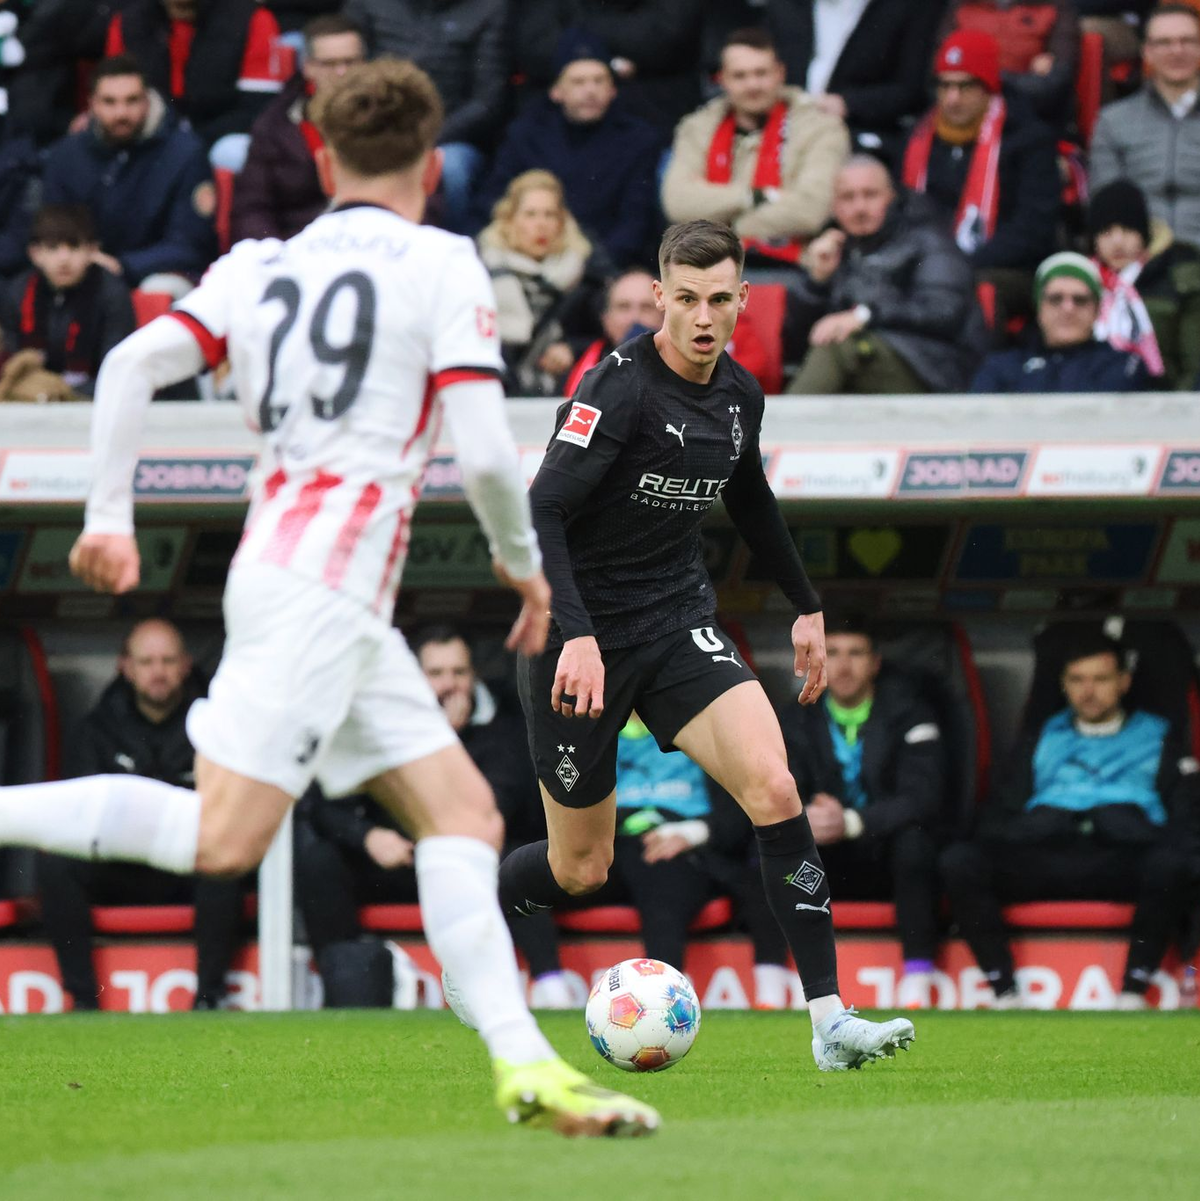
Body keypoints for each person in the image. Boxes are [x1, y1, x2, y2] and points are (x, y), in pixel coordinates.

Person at [0, 58, 657, 1138]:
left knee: (464, 816)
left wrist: (108, 516)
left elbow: (125, 364)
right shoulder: (444, 262)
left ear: (321, 156)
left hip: (311, 584)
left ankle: (528, 1067)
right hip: (321, 589)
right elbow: (490, 455)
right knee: (223, 840)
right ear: (433, 168)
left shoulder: (260, 261)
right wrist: (521, 562)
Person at [498, 217, 915, 1071]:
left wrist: (807, 604)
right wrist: (575, 635)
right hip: (580, 640)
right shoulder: (616, 387)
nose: (701, 316)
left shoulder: (740, 394)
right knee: (582, 867)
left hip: (677, 622)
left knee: (774, 785)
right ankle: (473, 914)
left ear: (742, 301)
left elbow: (751, 495)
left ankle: (830, 1020)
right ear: (659, 296)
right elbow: (541, 508)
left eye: (718, 299)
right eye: (685, 298)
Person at [940, 630, 1200, 1008]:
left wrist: (1126, 824)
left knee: (1173, 865)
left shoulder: (1159, 737)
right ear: (1063, 684)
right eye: (1077, 680)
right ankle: (1005, 993)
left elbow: (1185, 826)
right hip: (1045, 856)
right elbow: (996, 820)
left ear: (1124, 682)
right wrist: (1043, 824)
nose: (1088, 690)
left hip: (1123, 862)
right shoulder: (1041, 737)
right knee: (960, 860)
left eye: (1100, 679)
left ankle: (1133, 992)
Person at [37, 620, 247, 1011]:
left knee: (226, 864)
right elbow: (76, 815)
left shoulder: (214, 727)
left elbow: (229, 807)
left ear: (185, 665)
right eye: (146, 661)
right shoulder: (95, 730)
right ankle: (84, 1000)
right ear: (125, 667)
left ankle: (208, 999)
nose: (158, 671)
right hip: (119, 866)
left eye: (168, 660)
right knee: (55, 867)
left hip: (187, 862)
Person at [777, 613, 948, 1009]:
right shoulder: (794, 717)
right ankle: (772, 983)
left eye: (855, 653)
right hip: (821, 853)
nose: (843, 664)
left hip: (884, 851)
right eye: (831, 652)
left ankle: (918, 980)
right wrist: (808, 819)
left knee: (915, 845)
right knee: (769, 851)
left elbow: (923, 797)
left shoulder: (911, 712)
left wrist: (853, 822)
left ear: (875, 662)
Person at [785, 155, 987, 395]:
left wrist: (864, 315)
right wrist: (817, 282)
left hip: (933, 370)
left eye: (870, 195)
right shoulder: (836, 249)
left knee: (838, 347)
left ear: (892, 197)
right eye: (848, 198)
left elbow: (943, 310)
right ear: (834, 206)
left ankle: (778, 433)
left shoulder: (929, 240)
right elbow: (794, 346)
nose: (859, 208)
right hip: (865, 366)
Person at [902, 29, 1060, 331]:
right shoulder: (918, 138)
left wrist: (959, 264)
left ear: (988, 87)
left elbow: (1032, 231)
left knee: (974, 290)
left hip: (999, 267)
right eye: (944, 86)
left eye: (965, 87)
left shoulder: (1028, 139)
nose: (952, 98)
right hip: (929, 261)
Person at [661, 28, 849, 269]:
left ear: (780, 73)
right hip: (707, 270)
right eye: (740, 76)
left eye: (761, 73)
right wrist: (759, 197)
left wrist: (722, 228)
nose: (752, 85)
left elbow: (810, 211)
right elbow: (678, 203)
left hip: (792, 269)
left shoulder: (821, 128)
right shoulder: (697, 127)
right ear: (722, 79)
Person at [476, 31, 663, 267]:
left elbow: (636, 222)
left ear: (613, 90)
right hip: (527, 258)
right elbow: (494, 201)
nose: (590, 90)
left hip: (604, 264)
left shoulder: (638, 139)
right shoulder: (526, 134)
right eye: (578, 82)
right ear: (556, 91)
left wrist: (594, 266)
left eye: (599, 80)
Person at [41, 55, 218, 296]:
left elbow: (191, 245)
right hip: (84, 270)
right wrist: (82, 259)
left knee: (156, 289)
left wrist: (123, 265)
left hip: (157, 273)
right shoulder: (66, 154)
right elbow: (52, 227)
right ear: (92, 103)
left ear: (147, 100)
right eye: (109, 102)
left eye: (132, 100)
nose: (121, 113)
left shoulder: (185, 153)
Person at [342, 0, 507, 232]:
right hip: (377, 126)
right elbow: (353, 73)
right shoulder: (370, 4)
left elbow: (487, 102)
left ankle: (451, 247)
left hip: (449, 135)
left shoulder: (487, 8)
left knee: (451, 168)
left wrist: (425, 138)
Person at [231, 14, 366, 244]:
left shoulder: (389, 119)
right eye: (330, 64)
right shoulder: (275, 124)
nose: (342, 73)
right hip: (296, 249)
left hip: (376, 247)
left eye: (350, 62)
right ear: (308, 67)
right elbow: (252, 208)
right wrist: (275, 254)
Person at [104, 0, 287, 166]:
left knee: (233, 151)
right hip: (148, 137)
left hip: (217, 137)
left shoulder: (253, 19)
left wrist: (186, 143)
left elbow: (259, 108)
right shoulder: (129, 21)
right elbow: (113, 92)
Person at [478, 170, 611, 397]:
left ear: (562, 222)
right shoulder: (480, 273)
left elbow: (610, 339)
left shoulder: (588, 277)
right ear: (509, 220)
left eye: (549, 215)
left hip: (565, 398)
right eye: (530, 214)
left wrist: (573, 350)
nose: (541, 224)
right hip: (494, 392)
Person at [763, 0, 946, 165]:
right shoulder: (786, 6)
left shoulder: (907, 7)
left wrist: (848, 104)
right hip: (786, 129)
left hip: (862, 137)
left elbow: (912, 90)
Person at [1091, 5, 1200, 249]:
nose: (1177, 50)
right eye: (1164, 43)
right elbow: (1107, 205)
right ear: (1146, 52)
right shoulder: (1113, 121)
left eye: (1188, 41)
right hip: (1140, 262)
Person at [0, 204, 135, 398]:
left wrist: (64, 393)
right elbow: (13, 362)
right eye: (53, 248)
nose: (64, 259)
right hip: (33, 395)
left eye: (74, 247)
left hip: (94, 398)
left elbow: (116, 366)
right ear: (35, 254)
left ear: (92, 251)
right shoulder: (18, 292)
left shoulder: (112, 294)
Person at [971, 251, 1151, 390]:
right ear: (1039, 309)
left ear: (1097, 311)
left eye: (1080, 300)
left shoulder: (1123, 366)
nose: (1068, 309)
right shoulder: (1001, 367)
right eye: (1055, 299)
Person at [1089, 178, 1200, 388]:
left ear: (1144, 233)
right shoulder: (1077, 286)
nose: (1117, 241)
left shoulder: (1179, 279)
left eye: (1128, 230)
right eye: (1106, 232)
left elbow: (1194, 366)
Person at [935, 0, 1080, 125]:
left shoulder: (1054, 7)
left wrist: (981, 80)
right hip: (962, 115)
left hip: (1030, 117)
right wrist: (994, 80)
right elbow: (939, 74)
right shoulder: (962, 5)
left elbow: (1054, 83)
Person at [562, 268, 663, 397]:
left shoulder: (685, 369)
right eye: (624, 307)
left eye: (646, 307)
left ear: (664, 316)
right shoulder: (575, 365)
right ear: (606, 318)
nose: (634, 318)